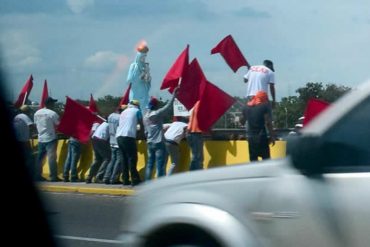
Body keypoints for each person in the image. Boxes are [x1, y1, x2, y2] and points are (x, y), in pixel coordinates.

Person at [143, 88, 178, 181]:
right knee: (160, 165)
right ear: (156, 105)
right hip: (158, 142)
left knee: (150, 165)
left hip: (149, 142)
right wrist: (174, 95)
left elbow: (145, 131)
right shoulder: (157, 113)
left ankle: (147, 183)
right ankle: (160, 184)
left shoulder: (145, 116)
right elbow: (169, 106)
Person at [240, 91, 276, 161]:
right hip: (261, 137)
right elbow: (268, 122)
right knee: (266, 161)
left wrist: (246, 114)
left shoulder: (246, 108)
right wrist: (272, 136)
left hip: (251, 138)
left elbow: (242, 122)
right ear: (263, 99)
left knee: (253, 162)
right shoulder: (264, 107)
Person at [116, 100, 143, 186]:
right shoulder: (137, 111)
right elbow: (141, 124)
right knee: (132, 159)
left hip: (119, 136)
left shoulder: (124, 112)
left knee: (124, 159)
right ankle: (135, 180)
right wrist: (141, 135)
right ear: (137, 105)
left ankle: (125, 180)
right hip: (128, 136)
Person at [34, 97, 60, 181]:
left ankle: (37, 175)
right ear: (49, 104)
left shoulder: (37, 113)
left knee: (40, 158)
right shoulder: (52, 113)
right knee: (51, 158)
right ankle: (53, 176)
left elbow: (35, 124)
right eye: (53, 103)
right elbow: (59, 124)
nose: (54, 104)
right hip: (50, 138)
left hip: (40, 138)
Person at [103, 105, 127, 184]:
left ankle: (106, 177)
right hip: (118, 141)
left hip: (111, 141)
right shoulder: (120, 118)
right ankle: (113, 178)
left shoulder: (110, 116)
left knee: (112, 160)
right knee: (118, 161)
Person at [127, 44, 151, 113]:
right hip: (136, 90)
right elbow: (129, 79)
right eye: (142, 56)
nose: (144, 58)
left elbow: (148, 81)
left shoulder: (145, 67)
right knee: (135, 106)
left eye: (145, 56)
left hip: (143, 90)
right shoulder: (133, 66)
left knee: (144, 106)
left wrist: (148, 77)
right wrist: (140, 76)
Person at [13, 104, 35, 174]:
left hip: (18, 139)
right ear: (26, 111)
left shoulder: (16, 117)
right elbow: (31, 125)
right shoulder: (24, 116)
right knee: (29, 157)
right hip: (24, 140)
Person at [187, 100, 204, 171]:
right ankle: (196, 174)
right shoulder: (201, 105)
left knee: (195, 155)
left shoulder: (194, 104)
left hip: (189, 132)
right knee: (197, 156)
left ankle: (193, 173)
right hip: (196, 133)